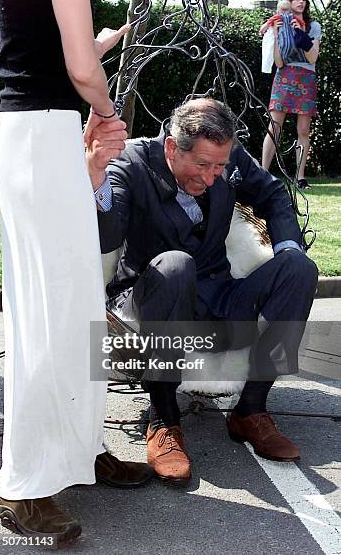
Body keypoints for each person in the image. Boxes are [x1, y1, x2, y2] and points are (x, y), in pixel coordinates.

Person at [0, 0, 153, 546]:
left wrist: (97, 51)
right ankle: (22, 484)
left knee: (74, 311)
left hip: (35, 135)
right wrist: (107, 112)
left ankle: (78, 454)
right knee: (47, 318)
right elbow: (80, 69)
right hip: (42, 136)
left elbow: (42, 51)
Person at [87, 97, 318, 487]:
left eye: (220, 167)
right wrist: (95, 177)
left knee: (298, 268)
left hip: (220, 293)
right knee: (176, 263)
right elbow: (107, 236)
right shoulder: (131, 164)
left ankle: (250, 410)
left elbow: (275, 195)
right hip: (152, 295)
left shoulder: (229, 159)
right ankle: (163, 420)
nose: (213, 177)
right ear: (173, 148)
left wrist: (287, 246)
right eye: (202, 165)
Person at [261, 0, 322, 190]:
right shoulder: (279, 23)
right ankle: (262, 173)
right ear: (288, 2)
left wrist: (299, 32)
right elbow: (278, 62)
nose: (301, 2)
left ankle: (300, 177)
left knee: (303, 129)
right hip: (284, 75)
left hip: (306, 77)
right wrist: (277, 32)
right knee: (274, 127)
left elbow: (312, 57)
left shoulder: (313, 26)